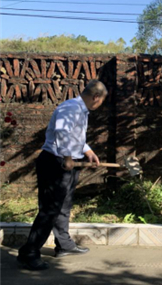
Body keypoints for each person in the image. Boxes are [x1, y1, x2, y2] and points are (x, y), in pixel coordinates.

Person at [17, 80, 108, 270]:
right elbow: (62, 132)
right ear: (96, 97)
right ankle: (29, 252)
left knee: (64, 206)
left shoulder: (82, 111)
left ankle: (64, 245)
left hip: (69, 163)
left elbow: (76, 137)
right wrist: (67, 156)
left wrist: (88, 151)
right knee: (50, 209)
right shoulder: (70, 107)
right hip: (55, 162)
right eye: (101, 101)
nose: (100, 105)